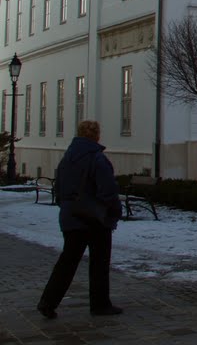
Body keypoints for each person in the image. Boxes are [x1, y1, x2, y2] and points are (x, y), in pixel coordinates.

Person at [37, 119, 123, 318]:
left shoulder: (67, 158)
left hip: (71, 216)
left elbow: (58, 188)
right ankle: (100, 304)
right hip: (94, 218)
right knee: (99, 262)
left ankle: (48, 301)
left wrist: (68, 206)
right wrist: (113, 211)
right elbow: (108, 190)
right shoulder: (97, 158)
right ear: (96, 136)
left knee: (67, 261)